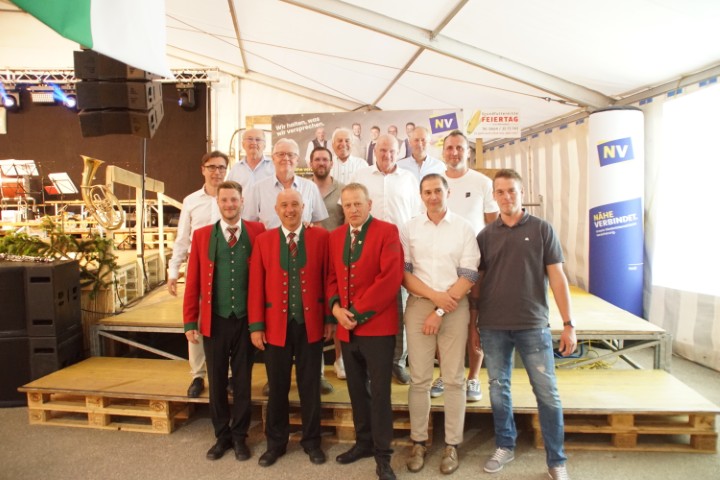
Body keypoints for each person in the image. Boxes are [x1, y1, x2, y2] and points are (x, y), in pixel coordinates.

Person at [472, 169, 576, 480]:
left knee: (547, 393)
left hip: (533, 325)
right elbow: (477, 283)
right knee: (498, 389)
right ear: (493, 195)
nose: (506, 197)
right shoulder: (485, 236)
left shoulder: (542, 229)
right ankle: (505, 445)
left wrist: (568, 324)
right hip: (493, 326)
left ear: (522, 193)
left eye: (512, 191)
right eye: (500, 192)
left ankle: (556, 460)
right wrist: (474, 324)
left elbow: (557, 278)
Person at [400, 174, 480, 475]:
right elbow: (405, 274)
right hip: (421, 306)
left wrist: (441, 309)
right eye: (427, 192)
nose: (433, 196)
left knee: (454, 379)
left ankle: (451, 445)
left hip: (454, 306)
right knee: (419, 379)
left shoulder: (464, 228)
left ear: (448, 192)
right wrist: (435, 300)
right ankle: (419, 442)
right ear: (421, 196)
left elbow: (469, 274)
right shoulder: (409, 228)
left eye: (437, 191)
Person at [248, 189, 332, 468]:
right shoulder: (264, 241)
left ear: (303, 207)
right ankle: (276, 443)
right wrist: (256, 326)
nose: (290, 209)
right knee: (277, 387)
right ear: (276, 209)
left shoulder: (321, 237)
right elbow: (256, 286)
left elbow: (328, 280)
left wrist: (328, 319)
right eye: (284, 205)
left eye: (295, 204)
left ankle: (312, 442)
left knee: (310, 386)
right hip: (275, 327)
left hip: (311, 325)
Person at [182, 180, 266, 462]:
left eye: (234, 200)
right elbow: (193, 281)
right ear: (217, 203)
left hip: (245, 320)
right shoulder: (203, 235)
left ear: (242, 202)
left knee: (242, 380)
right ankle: (222, 436)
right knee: (217, 381)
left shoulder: (258, 231)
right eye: (224, 200)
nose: (229, 205)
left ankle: (240, 436)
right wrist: (189, 321)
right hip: (215, 320)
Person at [328, 183, 404, 480]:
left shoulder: (387, 231)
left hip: (377, 327)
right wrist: (336, 309)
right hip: (346, 329)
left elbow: (390, 279)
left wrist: (356, 314)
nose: (353, 209)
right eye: (347, 205)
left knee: (381, 393)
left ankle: (383, 455)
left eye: (358, 204)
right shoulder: (336, 236)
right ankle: (363, 443)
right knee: (357, 389)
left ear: (369, 204)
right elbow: (331, 277)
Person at [431, 130, 499, 402]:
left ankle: (473, 378)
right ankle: (445, 375)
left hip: (476, 267)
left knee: (473, 322)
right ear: (443, 152)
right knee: (442, 321)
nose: (454, 152)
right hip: (442, 266)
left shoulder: (482, 182)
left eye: (459, 147)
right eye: (449, 148)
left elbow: (493, 226)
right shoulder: (436, 182)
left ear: (467, 152)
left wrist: (490, 266)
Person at [350, 134, 421, 385]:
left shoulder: (409, 179)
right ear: (374, 151)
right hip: (366, 253)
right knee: (368, 303)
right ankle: (368, 363)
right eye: (382, 150)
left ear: (399, 152)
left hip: (400, 253)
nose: (386, 155)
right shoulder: (361, 176)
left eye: (391, 151)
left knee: (400, 310)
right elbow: (349, 210)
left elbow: (416, 216)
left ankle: (397, 362)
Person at [168, 151, 225, 398]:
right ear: (203, 169)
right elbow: (182, 239)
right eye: (212, 167)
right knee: (197, 320)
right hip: (199, 266)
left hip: (226, 265)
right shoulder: (191, 201)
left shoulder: (232, 198)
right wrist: (173, 271)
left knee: (225, 321)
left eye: (221, 167)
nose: (217, 172)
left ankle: (228, 374)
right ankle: (198, 375)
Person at [309, 146, 346, 380]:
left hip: (337, 256)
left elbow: (347, 220)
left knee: (338, 304)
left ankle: (340, 359)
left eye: (325, 159)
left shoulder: (342, 189)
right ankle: (318, 362)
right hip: (311, 257)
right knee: (315, 307)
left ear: (331, 164)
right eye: (317, 159)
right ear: (310, 163)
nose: (321, 163)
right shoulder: (302, 188)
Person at [242, 138, 328, 228]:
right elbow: (249, 224)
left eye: (291, 155)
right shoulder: (258, 189)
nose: (286, 158)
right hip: (269, 237)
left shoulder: (310, 187)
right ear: (273, 159)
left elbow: (318, 223)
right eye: (281, 154)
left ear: (297, 160)